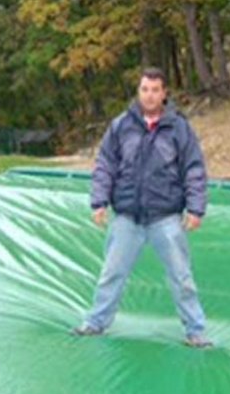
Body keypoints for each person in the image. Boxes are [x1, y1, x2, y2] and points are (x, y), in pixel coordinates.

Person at [72, 67, 212, 347]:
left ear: (164, 93)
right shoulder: (121, 125)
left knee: (181, 277)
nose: (149, 95)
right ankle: (96, 322)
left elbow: (194, 169)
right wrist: (99, 201)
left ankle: (196, 330)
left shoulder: (179, 128)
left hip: (166, 217)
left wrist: (196, 208)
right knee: (111, 274)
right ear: (139, 92)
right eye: (145, 89)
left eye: (155, 90)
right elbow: (105, 165)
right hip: (127, 216)